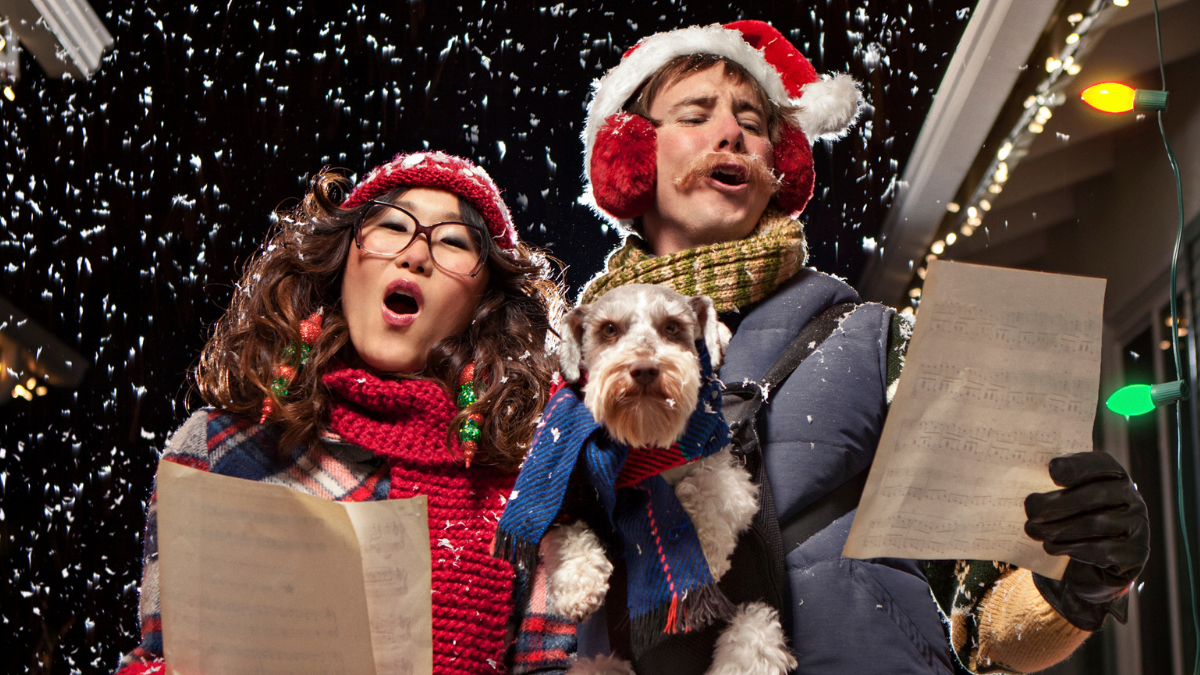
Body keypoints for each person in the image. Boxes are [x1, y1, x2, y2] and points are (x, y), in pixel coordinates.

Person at [560, 21, 1151, 675]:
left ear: (777, 164)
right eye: (696, 114)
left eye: (754, 121)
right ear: (632, 155)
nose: (732, 133)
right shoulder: (559, 374)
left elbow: (983, 625)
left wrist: (1081, 580)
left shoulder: (882, 342)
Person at [112, 151, 565, 675]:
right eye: (392, 226)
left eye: (453, 242)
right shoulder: (217, 448)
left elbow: (548, 667)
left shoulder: (528, 490)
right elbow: (161, 656)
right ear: (341, 261)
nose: (415, 254)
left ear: (486, 300)